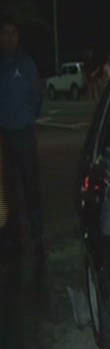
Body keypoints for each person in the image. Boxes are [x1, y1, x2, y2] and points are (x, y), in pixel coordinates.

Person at [0, 14, 44, 270]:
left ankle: (38, 240)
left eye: (12, 33)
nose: (8, 38)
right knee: (9, 191)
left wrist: (28, 118)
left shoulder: (25, 63)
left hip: (24, 134)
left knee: (31, 188)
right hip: (4, 136)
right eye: (4, 33)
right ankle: (15, 239)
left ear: (18, 37)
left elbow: (36, 95)